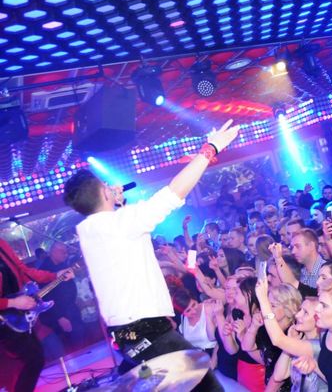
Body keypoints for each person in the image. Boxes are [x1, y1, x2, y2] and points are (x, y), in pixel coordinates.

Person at [62, 120, 239, 390]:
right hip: (146, 331)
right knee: (206, 388)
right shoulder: (120, 224)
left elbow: (122, 232)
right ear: (104, 191)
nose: (110, 185)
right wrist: (210, 148)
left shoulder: (90, 230)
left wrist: (118, 204)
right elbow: (173, 193)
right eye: (105, 184)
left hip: (127, 334)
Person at [0, 238, 74, 392]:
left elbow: (23, 270)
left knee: (34, 358)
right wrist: (13, 302)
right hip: (6, 317)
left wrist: (55, 275)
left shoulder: (1, 243)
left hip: (16, 317)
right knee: (32, 359)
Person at [254, 278, 327, 392]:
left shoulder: (318, 346)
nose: (297, 315)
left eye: (305, 313)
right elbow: (279, 375)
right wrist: (290, 340)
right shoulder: (300, 341)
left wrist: (263, 300)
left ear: (318, 319)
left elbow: (277, 340)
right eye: (300, 310)